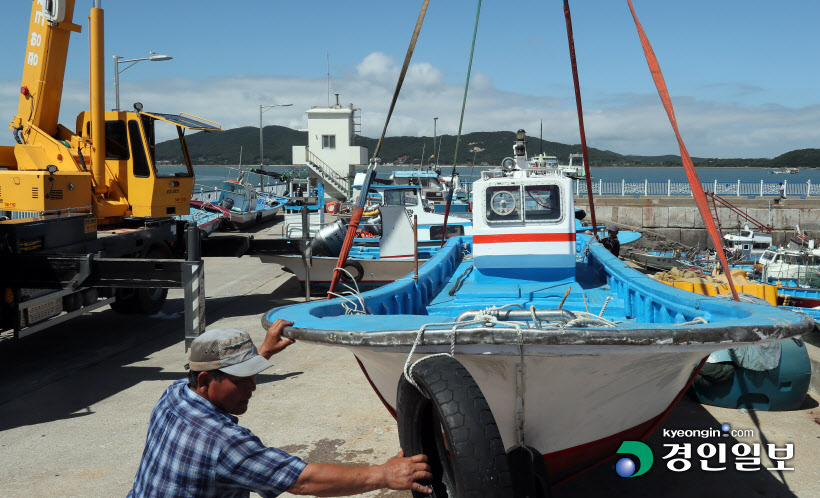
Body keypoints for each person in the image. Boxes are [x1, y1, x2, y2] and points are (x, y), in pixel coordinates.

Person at [129, 321, 432, 497]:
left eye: (253, 375)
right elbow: (303, 480)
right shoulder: (223, 442)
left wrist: (259, 353)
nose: (253, 387)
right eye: (242, 380)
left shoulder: (175, 394)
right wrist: (383, 474)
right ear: (207, 380)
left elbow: (223, 377)